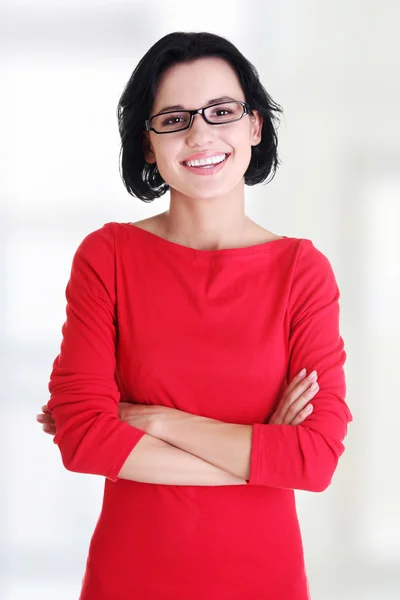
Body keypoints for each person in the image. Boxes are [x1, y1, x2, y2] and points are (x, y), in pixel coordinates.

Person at [36, 31, 353, 600]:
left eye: (222, 112)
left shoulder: (301, 271)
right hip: (131, 578)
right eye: (175, 118)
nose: (201, 134)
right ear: (148, 144)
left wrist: (154, 421)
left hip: (264, 579)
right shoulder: (107, 256)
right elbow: (83, 438)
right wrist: (261, 455)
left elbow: (315, 458)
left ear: (254, 126)